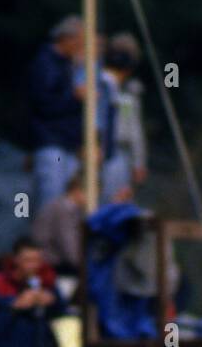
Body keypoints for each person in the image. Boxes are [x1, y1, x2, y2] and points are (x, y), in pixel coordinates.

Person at [25, 16, 86, 214]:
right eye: (79, 41)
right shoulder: (45, 64)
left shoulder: (67, 66)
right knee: (50, 199)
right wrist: (74, 97)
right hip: (51, 141)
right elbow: (44, 105)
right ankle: (42, 241)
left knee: (64, 201)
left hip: (65, 143)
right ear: (67, 39)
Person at [101, 33, 148, 202]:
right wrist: (138, 162)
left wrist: (138, 162)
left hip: (114, 152)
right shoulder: (118, 91)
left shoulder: (126, 92)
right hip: (110, 153)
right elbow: (131, 128)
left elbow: (129, 125)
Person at [31, 173, 86, 275]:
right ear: (77, 190)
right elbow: (69, 249)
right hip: (53, 268)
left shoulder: (64, 207)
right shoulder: (64, 209)